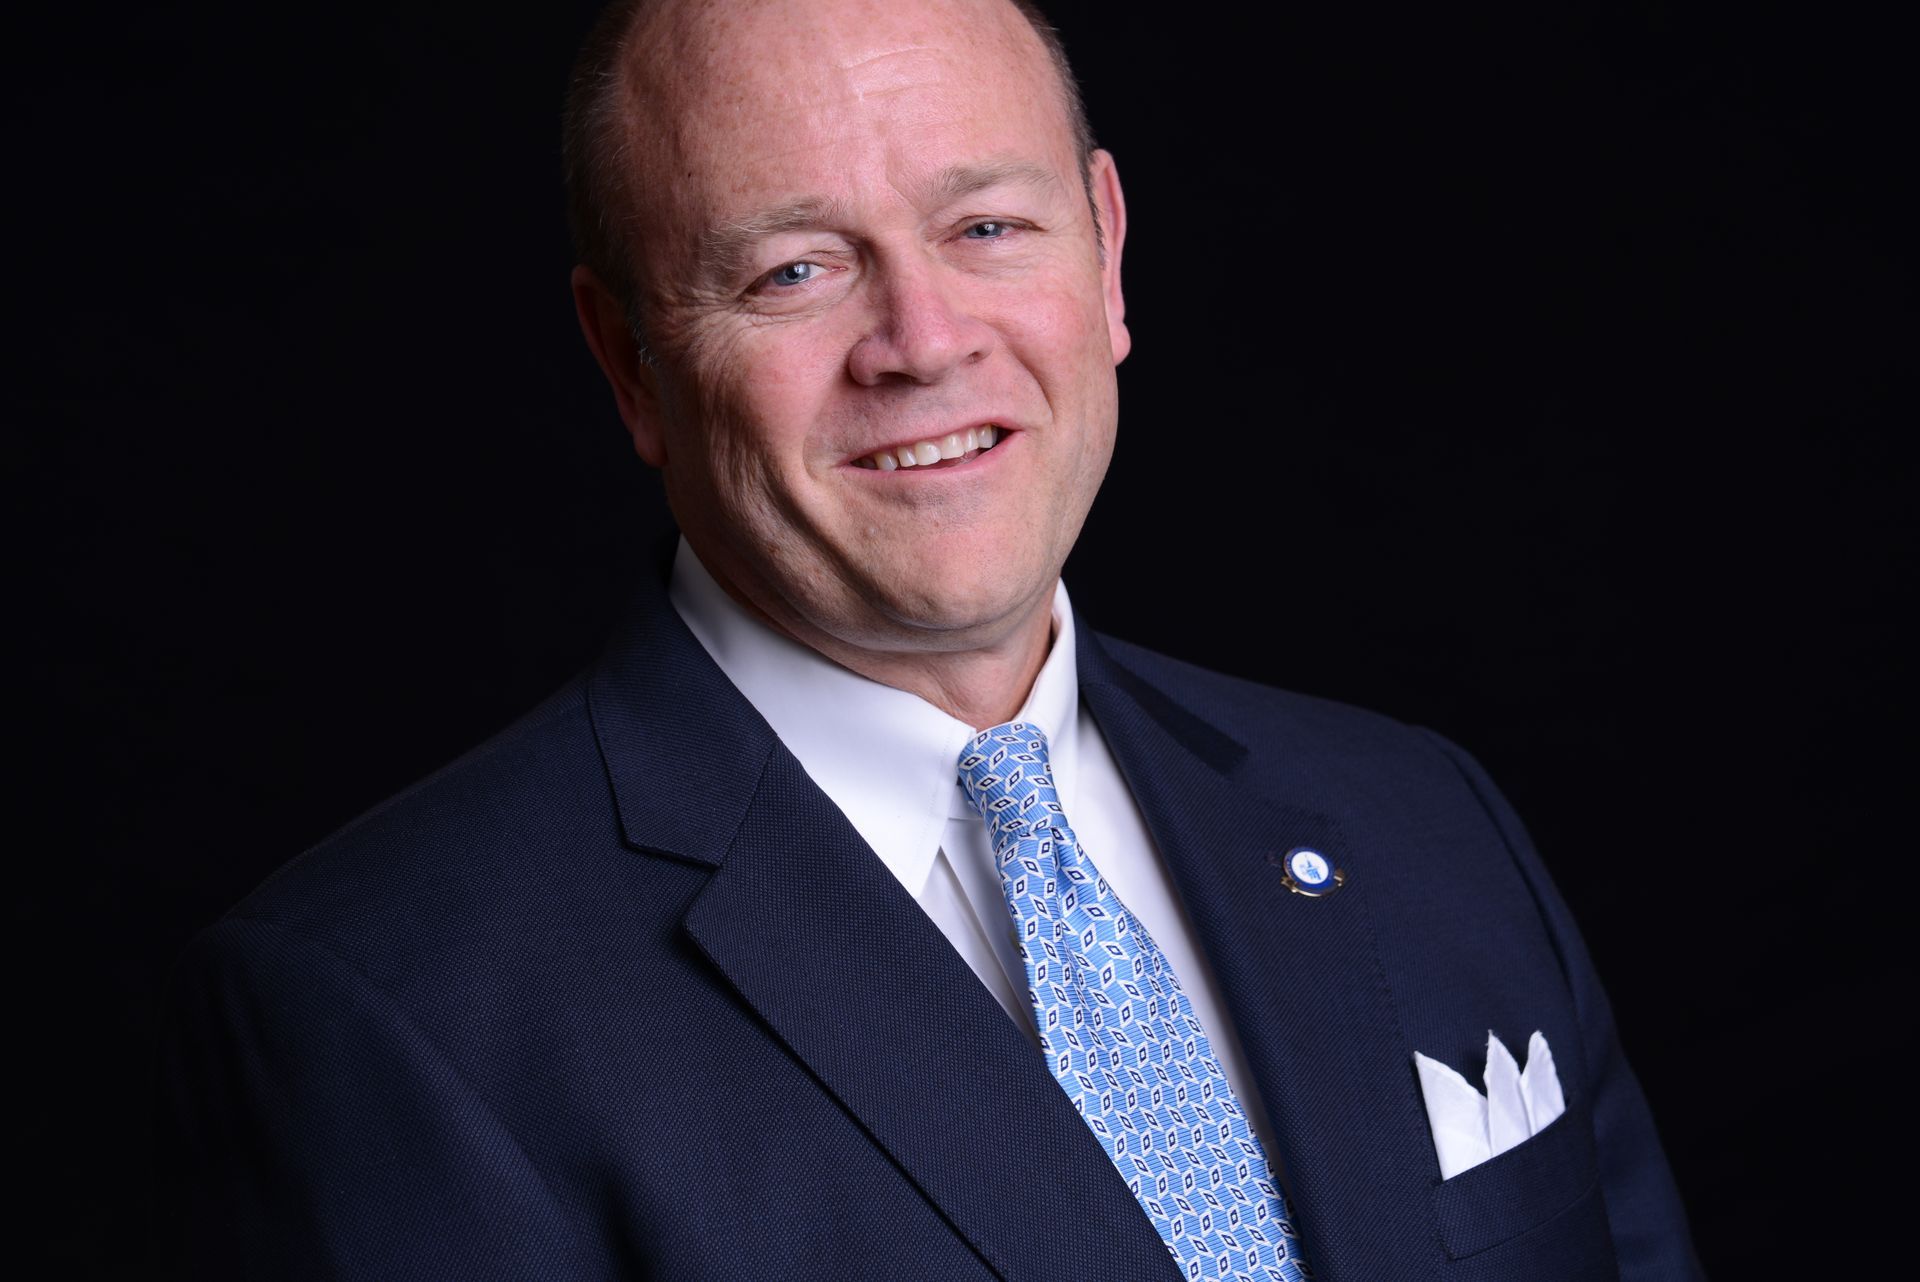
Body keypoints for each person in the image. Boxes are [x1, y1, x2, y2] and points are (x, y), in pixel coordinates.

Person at [158, 1, 1703, 1278]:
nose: (926, 340)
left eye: (985, 224)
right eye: (795, 270)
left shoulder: (1421, 820)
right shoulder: (399, 1009)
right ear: (631, 360)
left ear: (1105, 253)